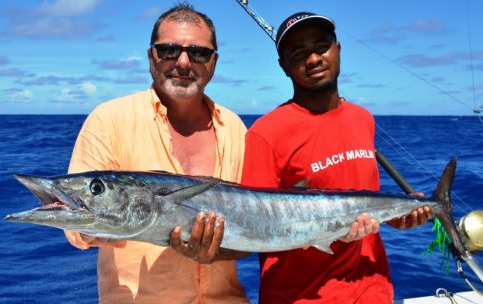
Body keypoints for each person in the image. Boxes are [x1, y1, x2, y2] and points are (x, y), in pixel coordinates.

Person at [241, 12, 433, 303]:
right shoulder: (265, 133)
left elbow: (366, 201)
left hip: (374, 289)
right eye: (299, 53)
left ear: (338, 49)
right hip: (300, 296)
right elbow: (253, 227)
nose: (314, 59)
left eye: (321, 46)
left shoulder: (362, 118)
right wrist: (327, 229)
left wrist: (398, 218)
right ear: (284, 67)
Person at [64, 3, 248, 303]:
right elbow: (78, 230)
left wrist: (215, 251)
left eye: (199, 53)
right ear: (152, 56)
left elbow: (252, 235)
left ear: (213, 62)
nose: (184, 62)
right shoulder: (109, 118)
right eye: (169, 51)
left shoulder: (236, 128)